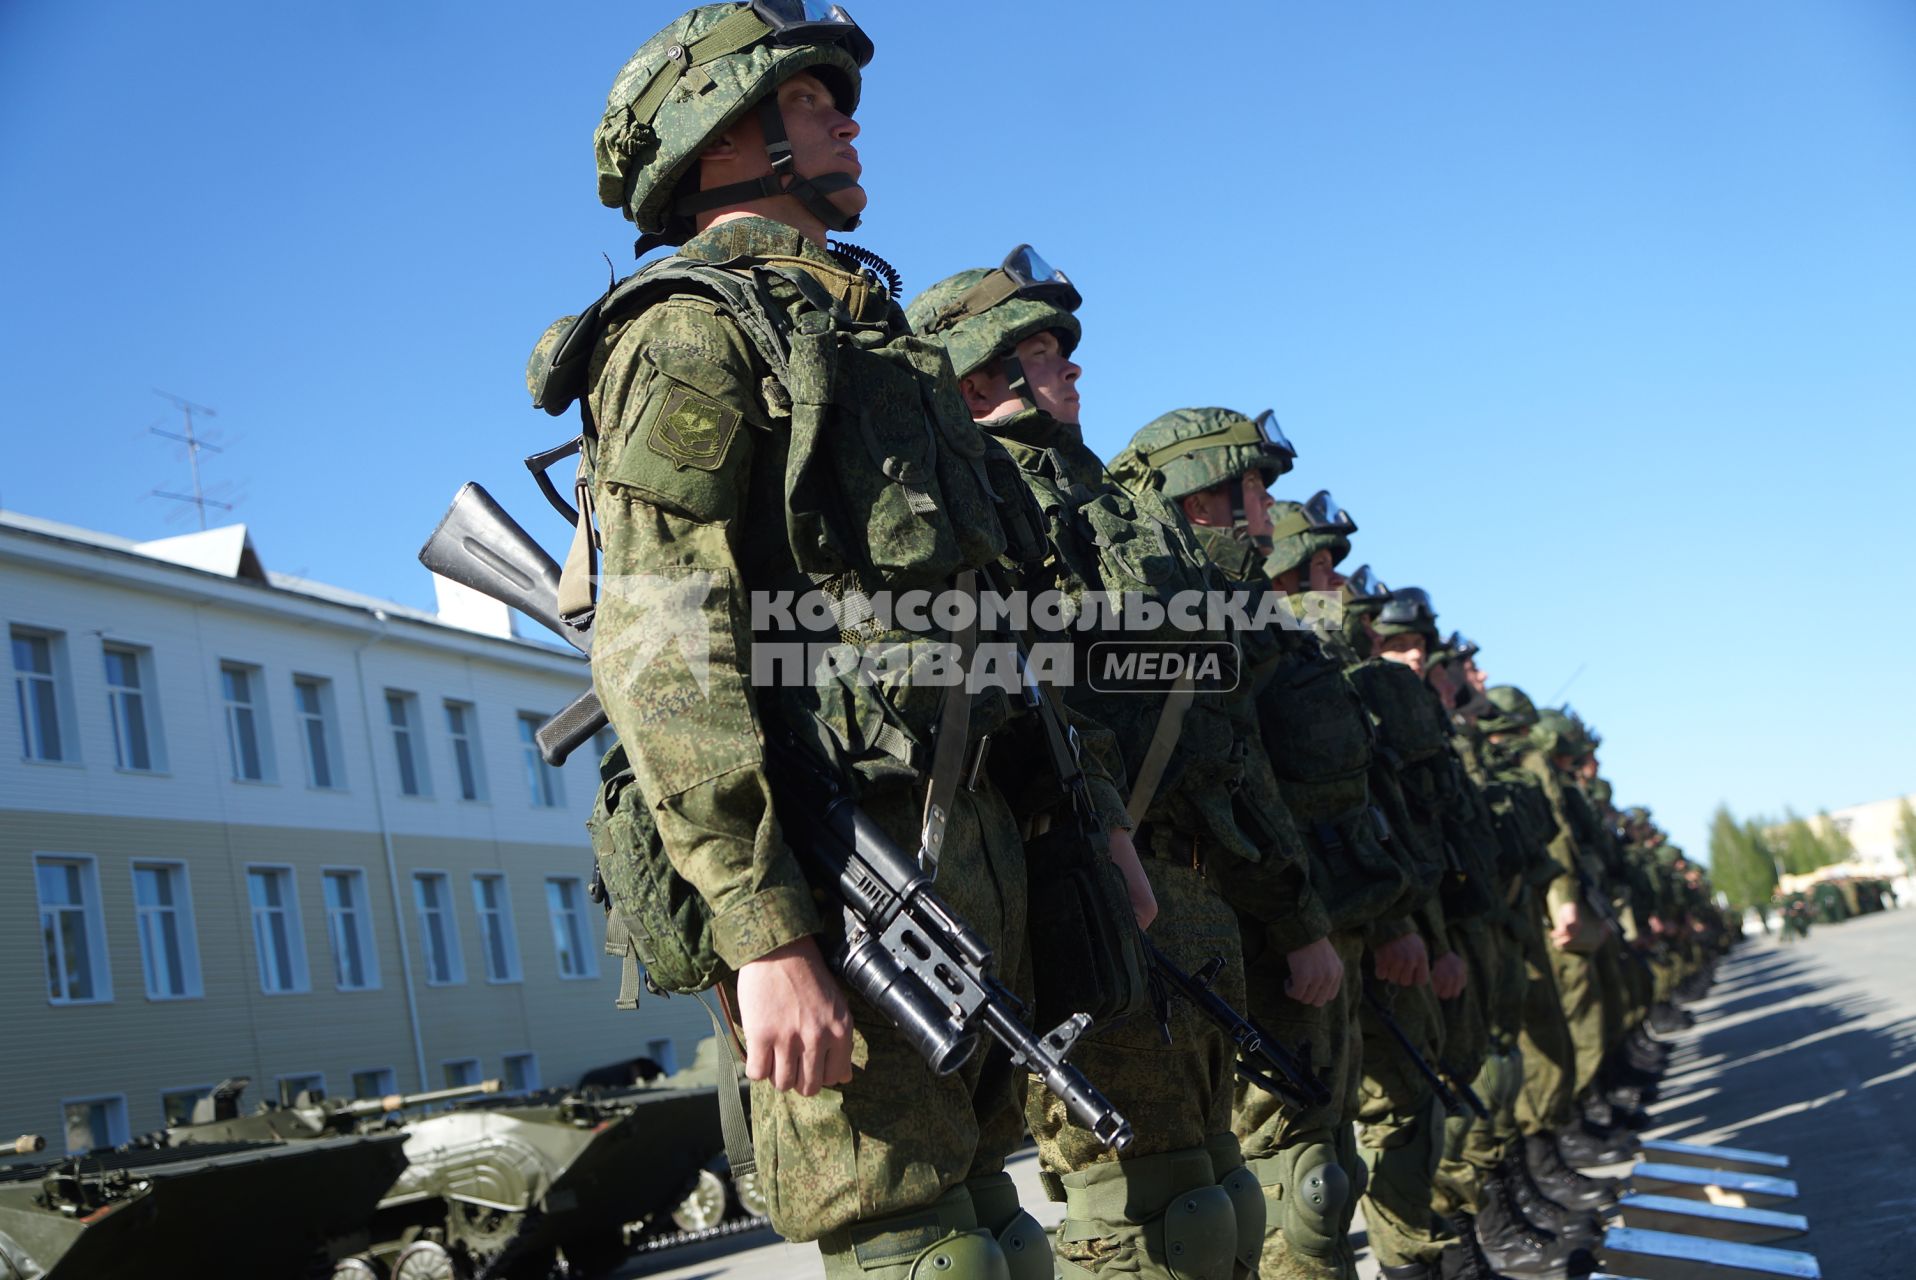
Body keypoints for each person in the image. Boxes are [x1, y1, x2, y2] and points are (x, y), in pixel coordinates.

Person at [532, 8, 1118, 1274]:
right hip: (832, 873)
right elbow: (661, 652)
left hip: (964, 853)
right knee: (921, 1255)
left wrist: (1090, 825)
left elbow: (995, 620)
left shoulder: (871, 338)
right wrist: (763, 937)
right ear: (722, 135)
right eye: (809, 97)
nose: (845, 115)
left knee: (999, 1241)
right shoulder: (687, 331)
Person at [909, 263, 1334, 1280]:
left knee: (1215, 1201)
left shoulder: (1094, 509)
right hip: (1075, 883)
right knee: (1155, 1216)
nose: (1072, 366)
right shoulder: (980, 498)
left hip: (1170, 889)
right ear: (978, 378)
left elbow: (1216, 740)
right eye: (1043, 350)